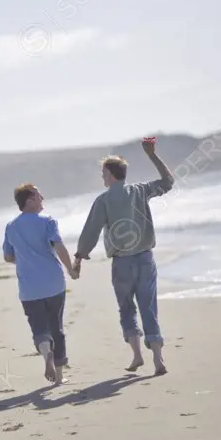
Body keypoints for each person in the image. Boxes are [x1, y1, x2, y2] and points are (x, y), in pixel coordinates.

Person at [73, 137, 174, 375]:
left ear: (109, 174)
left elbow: (91, 231)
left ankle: (138, 355)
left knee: (127, 308)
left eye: (102, 173)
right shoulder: (140, 191)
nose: (101, 177)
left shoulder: (104, 200)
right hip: (145, 259)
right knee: (149, 307)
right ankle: (158, 360)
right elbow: (168, 182)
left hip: (122, 264)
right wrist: (152, 155)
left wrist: (79, 257)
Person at [3, 183, 77, 386]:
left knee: (39, 329)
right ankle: (59, 377)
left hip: (29, 289)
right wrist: (70, 269)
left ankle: (47, 356)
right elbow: (59, 246)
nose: (42, 198)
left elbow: (8, 256)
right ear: (29, 200)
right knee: (56, 327)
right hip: (54, 283)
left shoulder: (11, 227)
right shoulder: (48, 221)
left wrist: (27, 258)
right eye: (38, 195)